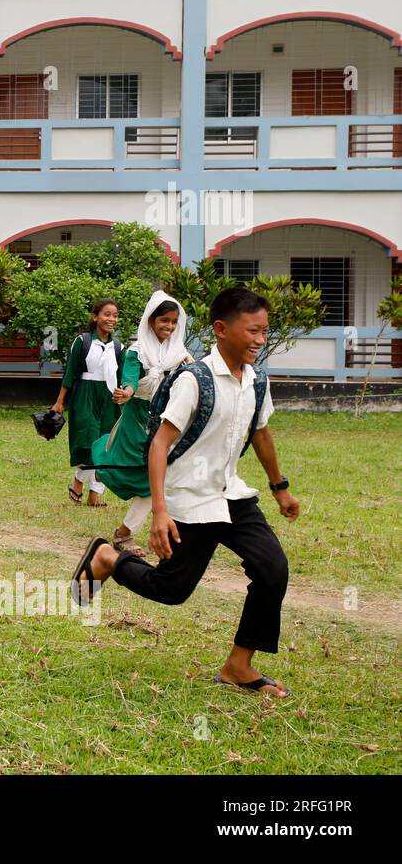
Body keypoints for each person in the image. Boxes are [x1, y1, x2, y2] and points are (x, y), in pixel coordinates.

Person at [71, 288, 298, 699]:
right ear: (221, 329)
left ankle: (238, 665)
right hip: (190, 498)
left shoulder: (256, 381)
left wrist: (279, 488)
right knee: (171, 590)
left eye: (264, 332)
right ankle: (107, 557)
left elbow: (260, 432)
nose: (259, 340)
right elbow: (159, 444)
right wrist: (160, 512)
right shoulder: (196, 379)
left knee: (272, 570)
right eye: (252, 331)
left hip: (232, 494)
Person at [90, 292, 192, 554]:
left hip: (169, 420)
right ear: (150, 321)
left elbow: (196, 378)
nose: (168, 327)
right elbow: (131, 378)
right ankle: (126, 533)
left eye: (173, 322)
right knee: (151, 482)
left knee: (163, 481)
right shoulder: (137, 352)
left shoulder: (180, 354)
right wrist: (127, 392)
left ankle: (137, 532)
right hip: (138, 420)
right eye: (163, 321)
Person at [51, 299, 122, 507]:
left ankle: (92, 493)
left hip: (109, 398)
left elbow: (123, 376)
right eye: (106, 314)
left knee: (105, 445)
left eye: (115, 315)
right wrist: (59, 402)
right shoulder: (82, 342)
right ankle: (80, 485)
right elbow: (70, 373)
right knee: (87, 443)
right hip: (84, 395)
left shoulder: (118, 346)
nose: (111, 319)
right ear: (95, 317)